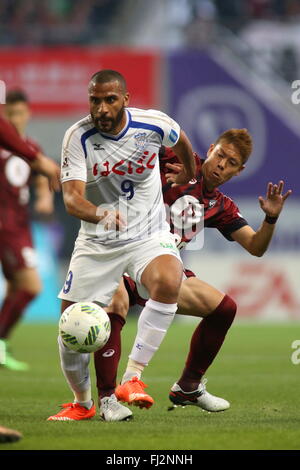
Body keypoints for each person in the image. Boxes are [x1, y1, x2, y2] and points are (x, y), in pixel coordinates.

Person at [92, 128, 292, 419]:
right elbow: (142, 141)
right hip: (122, 254)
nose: (222, 165)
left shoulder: (221, 206)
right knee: (116, 303)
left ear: (239, 171)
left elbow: (255, 246)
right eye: (220, 155)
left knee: (224, 309)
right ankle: (109, 398)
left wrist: (270, 217)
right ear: (210, 149)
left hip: (162, 273)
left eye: (231, 162)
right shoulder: (175, 158)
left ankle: (188, 386)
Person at [47, 69, 196, 422]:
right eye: (94, 100)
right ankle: (83, 403)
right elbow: (71, 201)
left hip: (147, 232)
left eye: (109, 99)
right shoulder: (78, 137)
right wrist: (100, 214)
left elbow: (183, 143)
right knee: (71, 326)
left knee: (169, 278)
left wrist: (188, 174)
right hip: (98, 241)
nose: (101, 108)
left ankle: (132, 378)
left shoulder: (154, 125)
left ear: (125, 100)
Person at [0, 94, 60, 443]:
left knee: (18, 287)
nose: (16, 118)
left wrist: (43, 195)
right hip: (6, 227)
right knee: (31, 286)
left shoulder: (28, 147)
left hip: (20, 227)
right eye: (11, 113)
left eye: (21, 112)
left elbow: (39, 175)